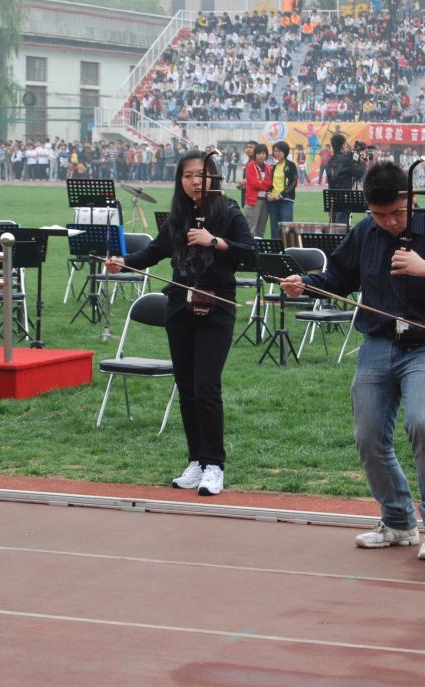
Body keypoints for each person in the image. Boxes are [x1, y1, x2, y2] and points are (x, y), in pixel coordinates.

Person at [278, 161, 425, 561]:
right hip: (377, 344)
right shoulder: (365, 232)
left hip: (424, 345)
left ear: (412, 200)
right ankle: (399, 520)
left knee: (423, 424)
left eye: (396, 213)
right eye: (379, 214)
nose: (388, 222)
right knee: (368, 437)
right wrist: (306, 285)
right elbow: (338, 279)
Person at [106, 151, 255, 496]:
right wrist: (124, 261)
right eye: (187, 176)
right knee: (186, 388)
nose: (194, 181)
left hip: (217, 306)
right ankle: (196, 461)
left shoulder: (229, 212)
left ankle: (215, 465)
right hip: (179, 307)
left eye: (200, 174)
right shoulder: (179, 216)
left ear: (213, 177)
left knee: (206, 386)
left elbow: (250, 254)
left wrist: (213, 241)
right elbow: (154, 252)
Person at [325, 133, 365, 225]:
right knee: (341, 228)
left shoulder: (330, 161)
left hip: (332, 200)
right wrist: (362, 162)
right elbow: (359, 173)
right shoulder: (346, 160)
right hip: (343, 199)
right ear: (343, 145)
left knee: (334, 227)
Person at [266, 141, 298, 242]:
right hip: (273, 201)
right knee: (274, 229)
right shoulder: (274, 166)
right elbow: (270, 183)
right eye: (275, 151)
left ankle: (288, 249)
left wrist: (281, 195)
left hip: (285, 201)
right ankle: (275, 249)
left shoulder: (291, 165)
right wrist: (269, 193)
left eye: (279, 151)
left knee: (286, 229)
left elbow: (293, 183)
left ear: (285, 152)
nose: (276, 153)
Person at [243, 143, 272, 237]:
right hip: (253, 201)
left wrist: (262, 183)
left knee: (261, 229)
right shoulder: (250, 166)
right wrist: (266, 184)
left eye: (263, 154)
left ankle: (260, 246)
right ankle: (250, 246)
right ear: (255, 154)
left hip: (265, 201)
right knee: (251, 229)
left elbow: (271, 183)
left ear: (266, 155)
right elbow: (254, 183)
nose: (261, 156)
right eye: (258, 153)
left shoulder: (268, 167)